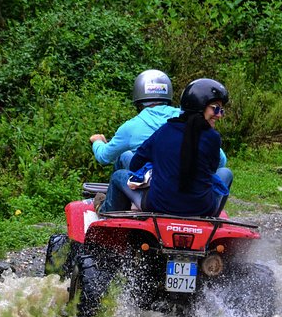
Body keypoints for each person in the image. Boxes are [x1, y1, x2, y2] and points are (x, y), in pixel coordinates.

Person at [99, 78, 233, 217]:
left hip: (158, 206)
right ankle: (211, 220)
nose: (219, 115)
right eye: (216, 108)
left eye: (221, 110)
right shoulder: (213, 137)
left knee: (118, 176)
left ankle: (105, 216)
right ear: (200, 105)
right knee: (226, 173)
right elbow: (212, 170)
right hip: (203, 209)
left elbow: (134, 164)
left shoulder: (164, 131)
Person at [89, 69, 181, 170]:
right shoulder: (184, 116)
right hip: (180, 176)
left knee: (123, 155)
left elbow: (104, 157)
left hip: (150, 182)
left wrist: (97, 141)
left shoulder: (130, 127)